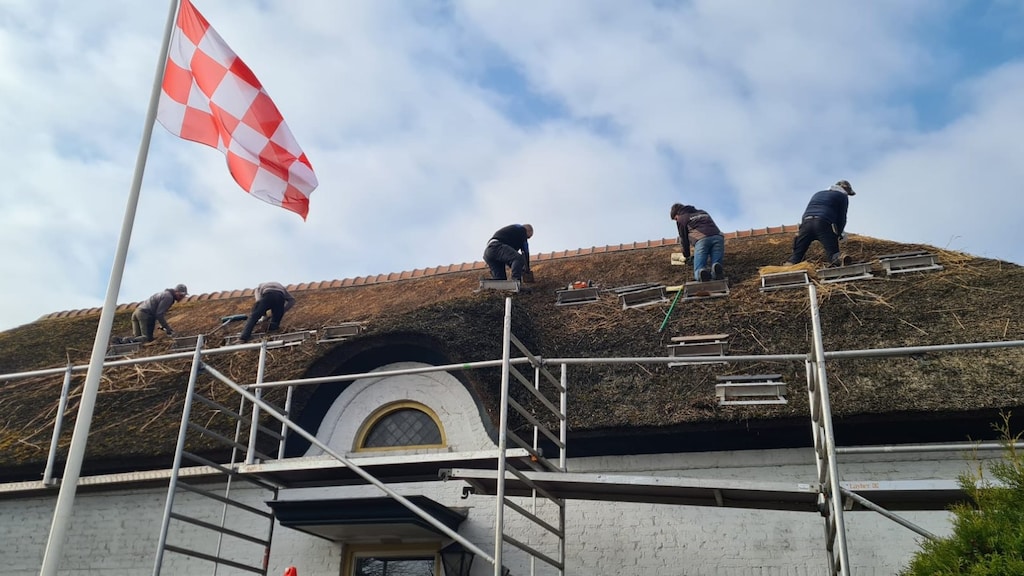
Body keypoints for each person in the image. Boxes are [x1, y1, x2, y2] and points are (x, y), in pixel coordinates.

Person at [785, 180, 856, 267]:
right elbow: (842, 217)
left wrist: (802, 229)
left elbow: (808, 210)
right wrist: (839, 233)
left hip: (806, 223)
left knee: (796, 256)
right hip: (823, 223)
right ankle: (838, 260)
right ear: (845, 190)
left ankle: (789, 266)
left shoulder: (818, 194)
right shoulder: (842, 196)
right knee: (833, 254)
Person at [670, 203, 725, 282]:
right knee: (716, 263)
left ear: (676, 214)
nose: (676, 220)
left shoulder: (681, 218)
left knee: (699, 269)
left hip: (702, 240)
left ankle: (700, 273)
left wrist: (687, 255)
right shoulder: (702, 212)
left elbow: (683, 239)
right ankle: (715, 270)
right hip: (718, 237)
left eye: (675, 219)